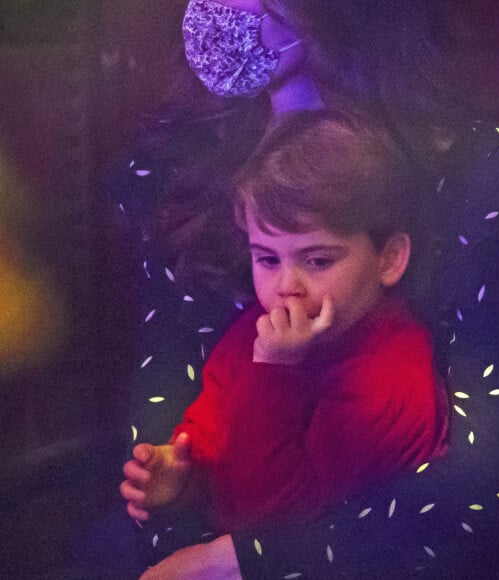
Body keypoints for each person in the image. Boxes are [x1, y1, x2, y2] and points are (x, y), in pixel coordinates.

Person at [94, 0, 499, 578]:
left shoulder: (492, 181)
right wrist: (175, 485)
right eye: (266, 256)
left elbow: (481, 485)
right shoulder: (177, 166)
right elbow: (171, 407)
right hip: (187, 531)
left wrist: (243, 562)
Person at [120, 110, 448, 536]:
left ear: (389, 259)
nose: (286, 286)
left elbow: (270, 522)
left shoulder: (389, 379)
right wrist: (183, 475)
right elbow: (217, 430)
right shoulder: (262, 329)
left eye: (317, 260)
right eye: (267, 258)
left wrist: (274, 371)